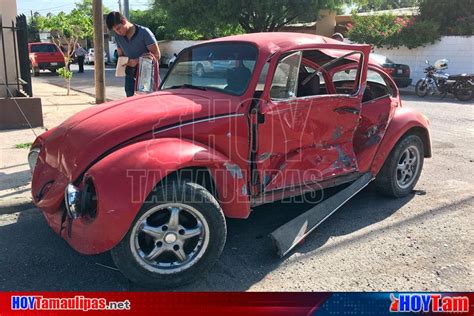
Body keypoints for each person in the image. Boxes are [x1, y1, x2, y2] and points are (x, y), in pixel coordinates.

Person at [106, 11, 161, 97]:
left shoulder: (144, 33)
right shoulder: (118, 37)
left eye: (118, 28)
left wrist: (137, 61)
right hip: (130, 76)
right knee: (130, 103)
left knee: (148, 103)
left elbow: (157, 55)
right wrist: (124, 62)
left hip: (147, 76)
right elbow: (121, 56)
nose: (118, 32)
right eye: (115, 30)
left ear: (124, 21)